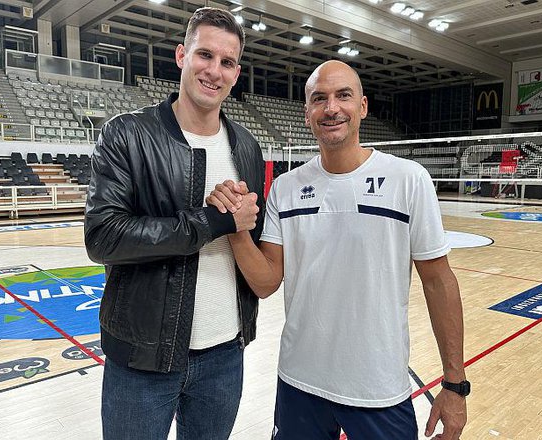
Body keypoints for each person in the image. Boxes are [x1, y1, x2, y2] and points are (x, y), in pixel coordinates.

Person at [207, 60, 468, 440]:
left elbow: (439, 281)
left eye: (343, 95)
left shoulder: (409, 180)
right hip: (299, 383)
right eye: (319, 99)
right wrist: (234, 228)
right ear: (307, 113)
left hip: (378, 389)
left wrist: (455, 384)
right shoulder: (286, 187)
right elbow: (265, 282)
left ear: (362, 106)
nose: (331, 108)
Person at [84, 7, 264, 440]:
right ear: (182, 55)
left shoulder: (248, 147)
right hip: (142, 359)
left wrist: (237, 228)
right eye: (205, 55)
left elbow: (249, 238)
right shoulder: (127, 134)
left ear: (236, 73)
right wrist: (210, 221)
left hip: (224, 354)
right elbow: (103, 236)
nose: (214, 71)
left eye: (227, 62)